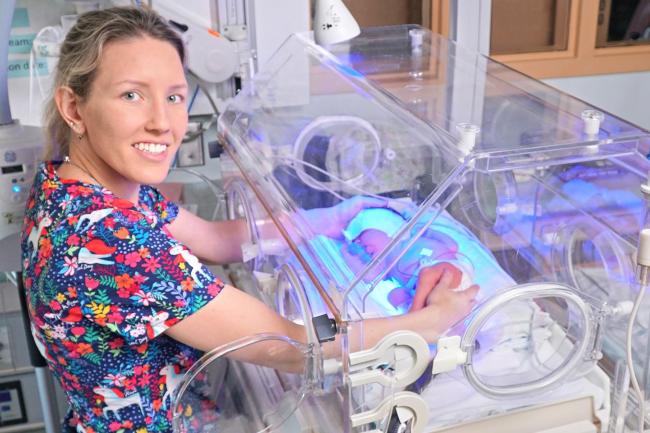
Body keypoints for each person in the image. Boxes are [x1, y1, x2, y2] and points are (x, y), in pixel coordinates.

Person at [20, 7, 478, 433]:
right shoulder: (112, 239)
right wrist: (429, 323)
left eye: (175, 96)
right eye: (131, 95)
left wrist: (335, 217)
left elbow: (217, 240)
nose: (163, 122)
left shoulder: (73, 190)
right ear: (74, 107)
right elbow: (292, 347)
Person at [341, 207, 475, 312]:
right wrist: (346, 251)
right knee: (395, 296)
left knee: (431, 274)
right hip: (423, 295)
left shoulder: (413, 239)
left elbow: (452, 246)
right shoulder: (385, 269)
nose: (362, 248)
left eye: (362, 238)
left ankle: (415, 316)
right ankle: (426, 314)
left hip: (450, 274)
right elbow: (367, 276)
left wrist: (427, 232)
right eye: (358, 247)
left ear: (386, 233)